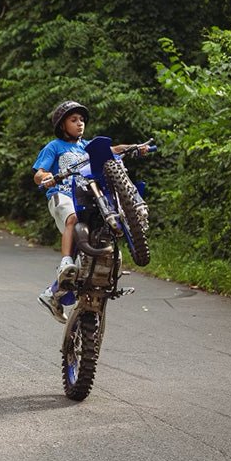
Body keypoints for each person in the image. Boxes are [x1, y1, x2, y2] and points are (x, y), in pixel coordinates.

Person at [32, 100, 148, 323]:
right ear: (62, 125)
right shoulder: (54, 146)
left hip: (88, 198)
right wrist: (45, 178)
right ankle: (66, 260)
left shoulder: (86, 147)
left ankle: (58, 290)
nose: (80, 124)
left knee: (100, 233)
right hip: (63, 196)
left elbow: (113, 150)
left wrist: (135, 148)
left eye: (82, 120)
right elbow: (40, 172)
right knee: (73, 219)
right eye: (74, 120)